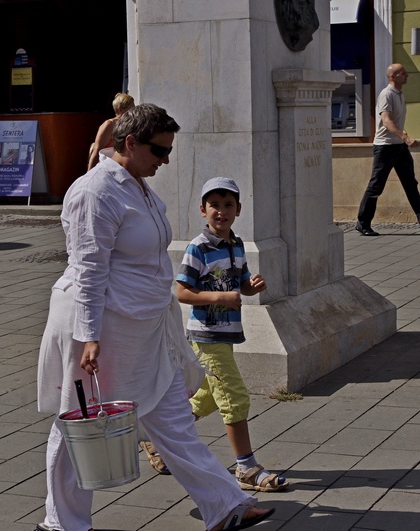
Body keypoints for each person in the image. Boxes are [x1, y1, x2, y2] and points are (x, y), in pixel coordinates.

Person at [35, 103, 275, 531]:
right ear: (130, 143)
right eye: (159, 151)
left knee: (172, 415)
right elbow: (89, 269)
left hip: (144, 323)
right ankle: (61, 523)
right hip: (104, 325)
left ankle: (225, 505)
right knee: (81, 423)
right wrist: (89, 336)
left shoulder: (136, 184)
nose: (165, 160)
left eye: (169, 151)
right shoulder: (95, 192)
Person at [167, 176, 288, 493]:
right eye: (214, 205)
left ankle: (159, 436)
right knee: (234, 397)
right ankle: (246, 467)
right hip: (206, 336)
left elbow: (241, 285)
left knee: (207, 399)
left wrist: (252, 287)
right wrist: (219, 297)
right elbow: (181, 291)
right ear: (202, 210)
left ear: (238, 209)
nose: (221, 211)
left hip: (227, 333)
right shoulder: (199, 247)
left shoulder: (237, 244)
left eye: (228, 205)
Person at [355, 63, 420, 237]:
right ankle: (363, 223)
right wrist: (405, 137)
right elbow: (387, 121)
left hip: (398, 147)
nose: (407, 75)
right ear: (392, 76)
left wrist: (402, 139)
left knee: (410, 184)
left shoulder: (399, 94)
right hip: (385, 147)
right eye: (402, 73)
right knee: (376, 186)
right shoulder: (387, 94)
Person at [86, 92, 135, 171]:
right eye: (131, 109)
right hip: (106, 169)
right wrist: (89, 173)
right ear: (120, 109)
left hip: (120, 170)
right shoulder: (109, 125)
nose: (133, 112)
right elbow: (97, 149)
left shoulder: (129, 125)